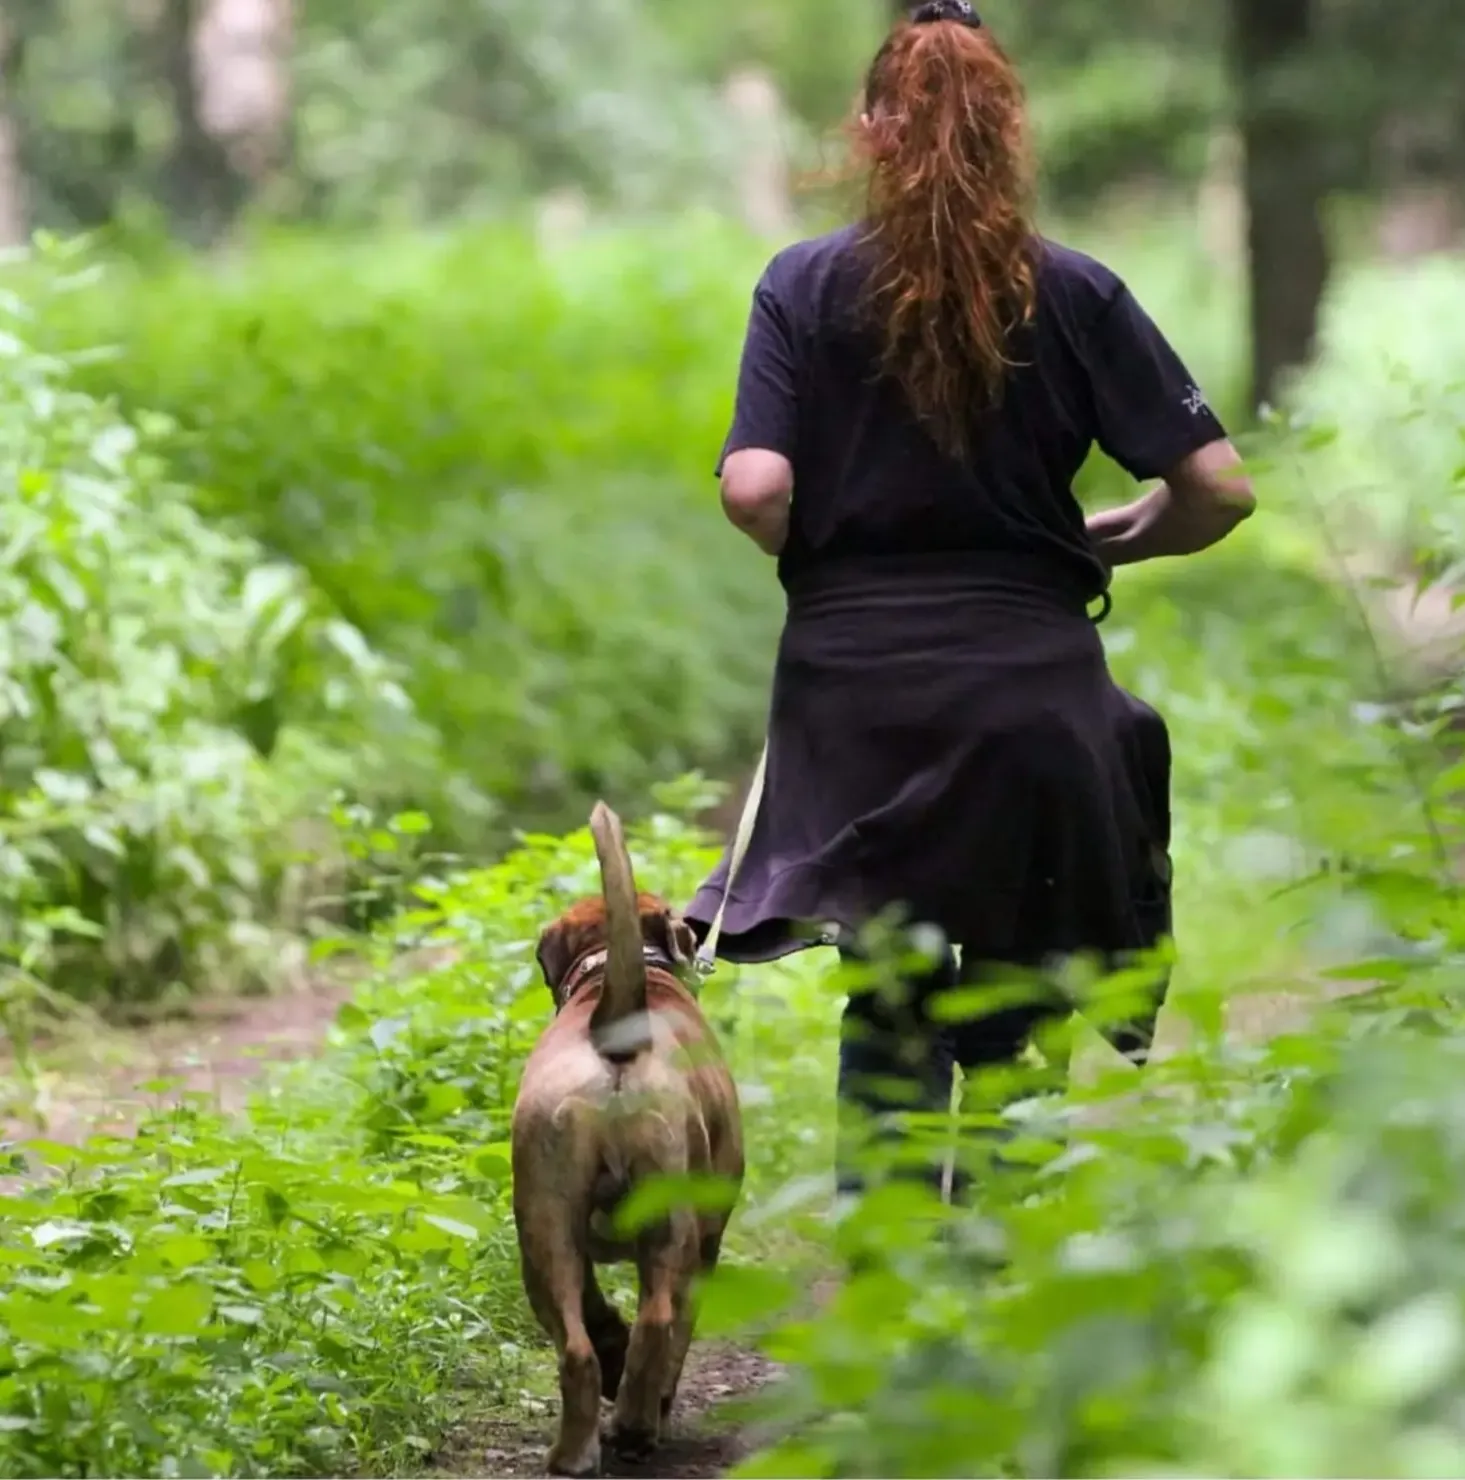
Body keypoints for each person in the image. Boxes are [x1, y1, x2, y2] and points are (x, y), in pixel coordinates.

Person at [683, 0, 1255, 1196]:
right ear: (1007, 133)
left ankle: (889, 1282)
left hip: (855, 694)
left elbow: (752, 491)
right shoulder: (1077, 290)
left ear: (871, 132)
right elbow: (1216, 490)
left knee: (888, 990)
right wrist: (1107, 544)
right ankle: (998, 1286)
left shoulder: (800, 282)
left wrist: (840, 554)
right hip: (1026, 686)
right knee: (1017, 974)